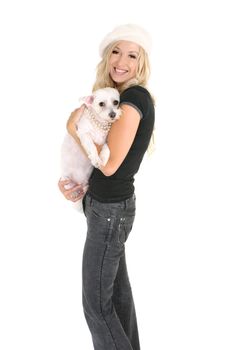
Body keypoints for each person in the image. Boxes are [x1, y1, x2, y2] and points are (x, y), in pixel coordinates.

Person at [58, 23, 155, 350]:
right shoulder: (120, 97)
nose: (121, 60)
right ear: (106, 56)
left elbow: (109, 165)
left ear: (141, 62)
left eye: (132, 54)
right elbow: (100, 166)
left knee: (97, 306)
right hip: (107, 207)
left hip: (111, 213)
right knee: (117, 297)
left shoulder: (131, 101)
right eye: (116, 51)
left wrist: (74, 130)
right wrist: (74, 184)